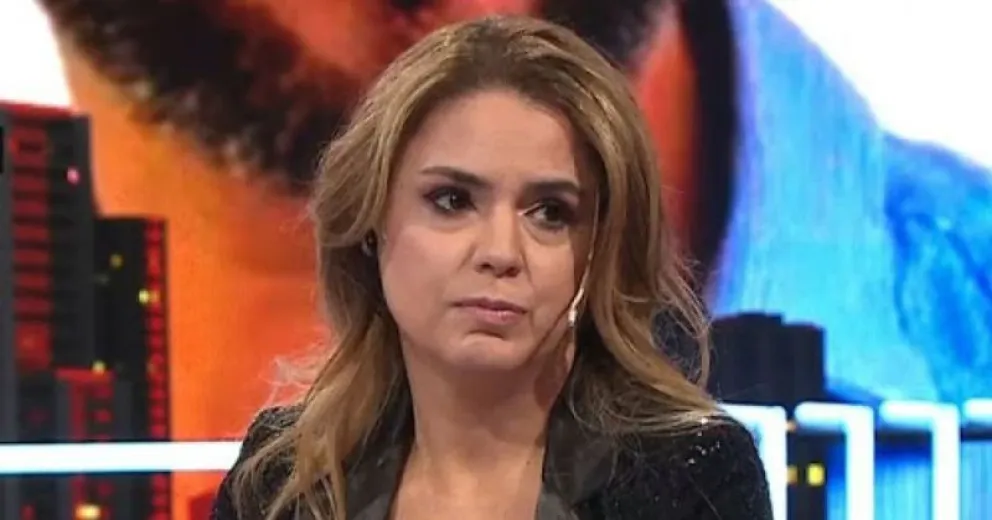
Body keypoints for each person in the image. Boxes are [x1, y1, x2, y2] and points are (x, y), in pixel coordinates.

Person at [209, 14, 768, 520]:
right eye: (452, 201)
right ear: (371, 220)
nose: (501, 252)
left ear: (597, 249)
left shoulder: (689, 478)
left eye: (551, 213)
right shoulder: (283, 479)